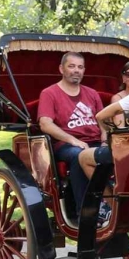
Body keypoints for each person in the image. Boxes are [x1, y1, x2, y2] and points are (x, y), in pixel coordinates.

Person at [37, 52, 106, 220]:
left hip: (96, 141)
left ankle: (115, 202)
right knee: (80, 155)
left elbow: (103, 121)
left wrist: (105, 140)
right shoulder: (49, 93)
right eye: (72, 66)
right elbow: (45, 123)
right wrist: (73, 140)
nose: (76, 70)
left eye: (80, 67)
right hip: (65, 145)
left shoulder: (92, 93)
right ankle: (86, 211)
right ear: (61, 68)